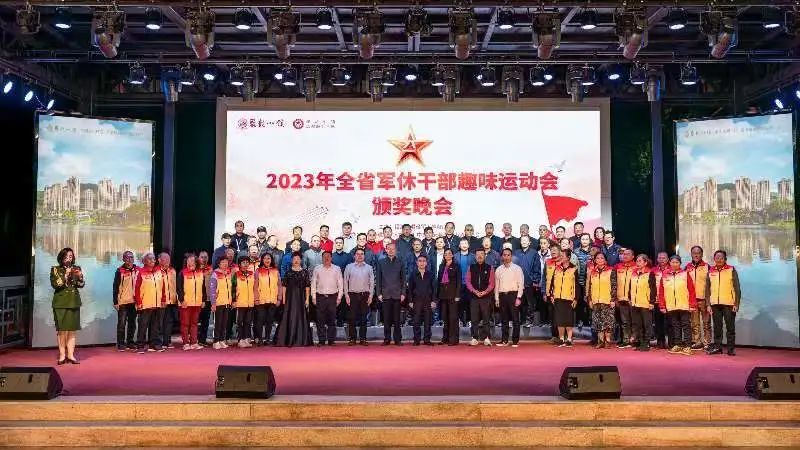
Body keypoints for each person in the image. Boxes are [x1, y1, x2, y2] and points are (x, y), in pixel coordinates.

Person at [51, 248, 85, 364]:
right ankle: (62, 356)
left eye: (70, 256)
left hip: (73, 302)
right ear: (61, 258)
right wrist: (65, 275)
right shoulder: (55, 269)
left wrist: (80, 277)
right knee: (62, 331)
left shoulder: (77, 268)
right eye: (66, 257)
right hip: (60, 303)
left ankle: (71, 355)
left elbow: (81, 285)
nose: (68, 259)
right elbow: (55, 285)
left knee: (72, 331)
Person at [658, 255, 697, 356]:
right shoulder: (665, 275)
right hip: (671, 305)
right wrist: (662, 305)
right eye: (673, 262)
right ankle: (678, 344)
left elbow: (691, 290)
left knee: (686, 325)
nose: (674, 264)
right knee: (675, 326)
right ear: (669, 263)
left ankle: (688, 346)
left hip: (684, 304)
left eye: (677, 262)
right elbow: (661, 291)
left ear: (680, 263)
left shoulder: (685, 274)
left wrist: (692, 304)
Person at [705, 250, 741, 356]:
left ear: (725, 259)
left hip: (729, 303)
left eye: (721, 258)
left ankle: (731, 349)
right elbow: (707, 290)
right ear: (714, 259)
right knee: (717, 327)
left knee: (730, 327)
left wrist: (736, 304)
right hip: (715, 304)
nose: (719, 260)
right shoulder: (710, 271)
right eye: (717, 258)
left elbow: (737, 288)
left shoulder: (731, 269)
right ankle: (718, 347)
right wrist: (708, 304)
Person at [275, 252, 313, 347]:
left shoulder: (305, 272)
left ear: (301, 260)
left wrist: (307, 299)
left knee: (301, 317)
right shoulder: (288, 272)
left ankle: (301, 340)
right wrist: (284, 299)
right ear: (291, 260)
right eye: (294, 259)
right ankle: (288, 339)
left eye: (298, 259)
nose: (296, 260)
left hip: (301, 298)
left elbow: (307, 287)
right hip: (290, 299)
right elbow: (284, 286)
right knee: (289, 317)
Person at [376, 242, 406, 345]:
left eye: (393, 249)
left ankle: (398, 339)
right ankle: (387, 339)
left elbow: (403, 279)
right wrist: (378, 293)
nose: (391, 251)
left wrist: (403, 293)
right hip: (385, 294)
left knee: (397, 319)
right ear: (386, 250)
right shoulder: (381, 262)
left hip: (397, 294)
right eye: (389, 249)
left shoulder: (400, 262)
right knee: (386, 319)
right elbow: (378, 279)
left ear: (396, 250)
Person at [548, 248, 579, 347]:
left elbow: (577, 285)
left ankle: (569, 339)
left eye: (562, 256)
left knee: (568, 319)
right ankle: (561, 338)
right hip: (558, 297)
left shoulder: (574, 269)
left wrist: (576, 299)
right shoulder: (557, 268)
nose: (560, 257)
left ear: (568, 257)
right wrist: (551, 295)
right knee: (559, 319)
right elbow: (552, 283)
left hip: (569, 297)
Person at [311, 251, 343, 346]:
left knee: (332, 320)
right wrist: (313, 297)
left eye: (328, 256)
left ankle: (331, 340)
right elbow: (313, 284)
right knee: (320, 320)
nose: (326, 258)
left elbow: (340, 284)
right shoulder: (317, 268)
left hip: (333, 297)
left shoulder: (337, 269)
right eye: (324, 256)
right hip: (320, 297)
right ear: (322, 258)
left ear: (331, 258)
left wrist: (339, 297)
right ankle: (321, 340)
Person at [135, 253, 165, 354]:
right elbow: (136, 289)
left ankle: (154, 344)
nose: (153, 260)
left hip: (157, 304)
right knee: (143, 326)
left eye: (153, 258)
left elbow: (162, 287)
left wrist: (163, 299)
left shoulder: (158, 271)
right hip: (145, 304)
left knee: (155, 326)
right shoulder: (140, 272)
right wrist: (138, 302)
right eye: (150, 259)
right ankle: (140, 345)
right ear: (144, 261)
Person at [585, 252, 616, 349]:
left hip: (607, 300)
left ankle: (608, 340)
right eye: (597, 258)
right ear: (595, 260)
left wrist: (613, 299)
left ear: (605, 260)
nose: (599, 260)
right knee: (598, 322)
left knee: (608, 322)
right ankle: (600, 341)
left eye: (602, 258)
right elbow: (590, 287)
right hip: (595, 300)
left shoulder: (611, 270)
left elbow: (614, 286)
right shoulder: (592, 272)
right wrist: (590, 300)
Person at [494, 248, 524, 347]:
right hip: (502, 295)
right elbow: (497, 286)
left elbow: (521, 284)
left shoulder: (517, 268)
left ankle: (515, 341)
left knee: (515, 319)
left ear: (511, 256)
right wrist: (497, 298)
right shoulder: (498, 269)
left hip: (513, 295)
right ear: (502, 256)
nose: (506, 257)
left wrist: (519, 297)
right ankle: (504, 340)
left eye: (508, 255)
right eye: (504, 255)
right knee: (504, 319)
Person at [344, 248, 374, 345]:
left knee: (363, 318)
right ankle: (352, 339)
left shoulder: (369, 267)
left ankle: (363, 339)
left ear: (364, 256)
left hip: (365, 295)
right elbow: (345, 282)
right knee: (352, 318)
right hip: (352, 295)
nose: (360, 256)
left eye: (362, 254)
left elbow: (372, 283)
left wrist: (371, 296)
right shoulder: (349, 267)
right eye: (358, 254)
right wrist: (346, 295)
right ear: (354, 256)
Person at [177, 252, 206, 351]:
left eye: (192, 260)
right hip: (186, 303)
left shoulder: (200, 273)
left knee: (194, 323)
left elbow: (203, 288)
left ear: (196, 261)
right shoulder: (182, 273)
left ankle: (194, 342)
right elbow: (179, 288)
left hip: (197, 303)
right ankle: (185, 343)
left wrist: (203, 300)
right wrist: (182, 300)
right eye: (189, 260)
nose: (190, 261)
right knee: (185, 323)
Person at [466, 248, 495, 346]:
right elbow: (468, 282)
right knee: (474, 318)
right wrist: (474, 291)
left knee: (486, 318)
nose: (480, 256)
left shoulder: (490, 268)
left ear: (485, 256)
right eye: (478, 254)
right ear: (475, 256)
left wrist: (485, 292)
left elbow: (492, 283)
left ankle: (486, 338)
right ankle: (474, 338)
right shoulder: (471, 267)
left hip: (486, 297)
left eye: (482, 254)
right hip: (474, 297)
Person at [685, 246, 711, 350]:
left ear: (702, 254)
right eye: (694, 253)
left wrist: (709, 301)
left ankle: (707, 343)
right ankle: (697, 342)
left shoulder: (707, 267)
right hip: (692, 300)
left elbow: (711, 285)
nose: (696, 255)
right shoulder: (687, 267)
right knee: (694, 323)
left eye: (698, 253)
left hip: (704, 300)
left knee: (706, 323)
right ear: (691, 254)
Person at [513, 235, 541, 329]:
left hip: (529, 283)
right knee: (519, 302)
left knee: (530, 303)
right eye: (522, 240)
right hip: (517, 283)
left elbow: (537, 268)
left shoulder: (534, 253)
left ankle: (529, 321)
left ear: (529, 242)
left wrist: (533, 280)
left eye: (526, 240)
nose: (524, 242)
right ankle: (521, 321)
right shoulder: (516, 253)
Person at [629, 254, 656, 351]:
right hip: (635, 303)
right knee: (637, 324)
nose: (638, 262)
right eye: (637, 261)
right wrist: (630, 298)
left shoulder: (650, 273)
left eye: (640, 261)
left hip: (645, 302)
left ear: (645, 262)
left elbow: (653, 289)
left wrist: (652, 302)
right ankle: (640, 342)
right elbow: (630, 287)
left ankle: (646, 343)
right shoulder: (634, 273)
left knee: (646, 324)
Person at [112, 250, 138, 352]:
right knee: (122, 324)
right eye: (127, 257)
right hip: (122, 302)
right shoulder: (119, 271)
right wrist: (115, 302)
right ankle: (121, 343)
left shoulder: (137, 270)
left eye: (131, 257)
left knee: (132, 323)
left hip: (134, 302)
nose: (130, 259)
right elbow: (115, 287)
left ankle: (130, 342)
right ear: (123, 259)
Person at [408, 255, 436, 346]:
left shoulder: (430, 274)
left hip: (428, 301)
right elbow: (410, 289)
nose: (422, 263)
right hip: (416, 301)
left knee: (428, 321)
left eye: (424, 261)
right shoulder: (413, 274)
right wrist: (410, 301)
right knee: (416, 321)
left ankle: (427, 339)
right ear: (417, 263)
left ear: (426, 263)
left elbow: (434, 288)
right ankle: (416, 340)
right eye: (420, 261)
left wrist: (433, 301)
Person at [254, 253, 281, 346]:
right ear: (262, 260)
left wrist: (279, 298)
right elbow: (255, 286)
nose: (267, 260)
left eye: (268, 258)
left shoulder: (275, 271)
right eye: (265, 258)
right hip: (261, 300)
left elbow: (279, 285)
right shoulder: (258, 271)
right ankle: (260, 339)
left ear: (271, 260)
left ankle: (267, 338)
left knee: (270, 320)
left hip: (273, 300)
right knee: (260, 320)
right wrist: (256, 298)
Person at [437, 248, 462, 346]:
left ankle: (453, 339)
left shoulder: (456, 266)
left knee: (453, 318)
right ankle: (445, 338)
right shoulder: (441, 266)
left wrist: (457, 295)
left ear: (452, 255)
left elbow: (459, 282)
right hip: (443, 296)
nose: (447, 255)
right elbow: (439, 280)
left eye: (449, 253)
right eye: (445, 254)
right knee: (445, 317)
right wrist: (438, 295)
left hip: (453, 295)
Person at [210, 258, 233, 349]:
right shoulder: (215, 274)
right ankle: (216, 341)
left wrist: (230, 300)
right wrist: (213, 303)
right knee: (218, 323)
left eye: (226, 262)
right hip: (218, 302)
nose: (225, 264)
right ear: (219, 264)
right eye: (223, 262)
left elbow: (230, 288)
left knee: (224, 323)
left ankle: (222, 340)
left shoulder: (228, 273)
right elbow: (212, 290)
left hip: (227, 302)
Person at [233, 255, 256, 348]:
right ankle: (240, 339)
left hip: (250, 302)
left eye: (247, 262)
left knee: (248, 322)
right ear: (239, 264)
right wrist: (234, 300)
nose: (245, 264)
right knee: (240, 322)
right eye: (243, 263)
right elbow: (233, 288)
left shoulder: (251, 274)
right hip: (240, 302)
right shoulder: (236, 274)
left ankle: (246, 339)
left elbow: (254, 287)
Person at [614, 248, 636, 348]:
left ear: (633, 256)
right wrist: (615, 298)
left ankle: (635, 339)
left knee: (635, 321)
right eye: (624, 254)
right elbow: (614, 283)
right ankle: (626, 340)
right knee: (624, 321)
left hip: (633, 299)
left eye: (628, 254)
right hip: (621, 298)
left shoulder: (636, 266)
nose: (625, 256)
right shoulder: (617, 267)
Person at [453, 238, 475, 328]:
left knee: (470, 303)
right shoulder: (455, 256)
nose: (464, 245)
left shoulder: (473, 256)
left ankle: (469, 320)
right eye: (462, 243)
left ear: (468, 245)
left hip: (470, 284)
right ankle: (460, 320)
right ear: (459, 246)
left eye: (466, 243)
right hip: (459, 284)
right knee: (459, 303)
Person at [573, 233, 593, 332]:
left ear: (589, 240)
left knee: (590, 302)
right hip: (579, 281)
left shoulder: (594, 251)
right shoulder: (575, 251)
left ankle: (591, 321)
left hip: (591, 281)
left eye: (586, 239)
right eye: (583, 239)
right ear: (580, 241)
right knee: (580, 302)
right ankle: (580, 320)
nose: (584, 241)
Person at [158, 252, 178, 349]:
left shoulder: (173, 270)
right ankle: (157, 342)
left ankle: (167, 341)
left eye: (168, 259)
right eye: (165, 259)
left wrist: (176, 298)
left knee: (169, 322)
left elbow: (175, 285)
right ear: (159, 260)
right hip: (160, 301)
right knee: (158, 322)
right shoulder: (156, 271)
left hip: (172, 301)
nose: (167, 261)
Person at [651, 251, 671, 349]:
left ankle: (671, 342)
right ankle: (660, 341)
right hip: (657, 300)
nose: (661, 260)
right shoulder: (653, 270)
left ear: (667, 259)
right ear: (657, 259)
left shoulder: (671, 269)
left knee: (670, 322)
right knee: (658, 322)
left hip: (670, 300)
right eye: (660, 258)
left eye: (664, 258)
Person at [534, 237, 551, 326]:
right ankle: (542, 321)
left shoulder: (551, 255)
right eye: (541, 243)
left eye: (545, 243)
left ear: (548, 244)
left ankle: (549, 321)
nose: (542, 245)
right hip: (539, 282)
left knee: (549, 303)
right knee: (541, 303)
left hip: (549, 283)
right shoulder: (536, 254)